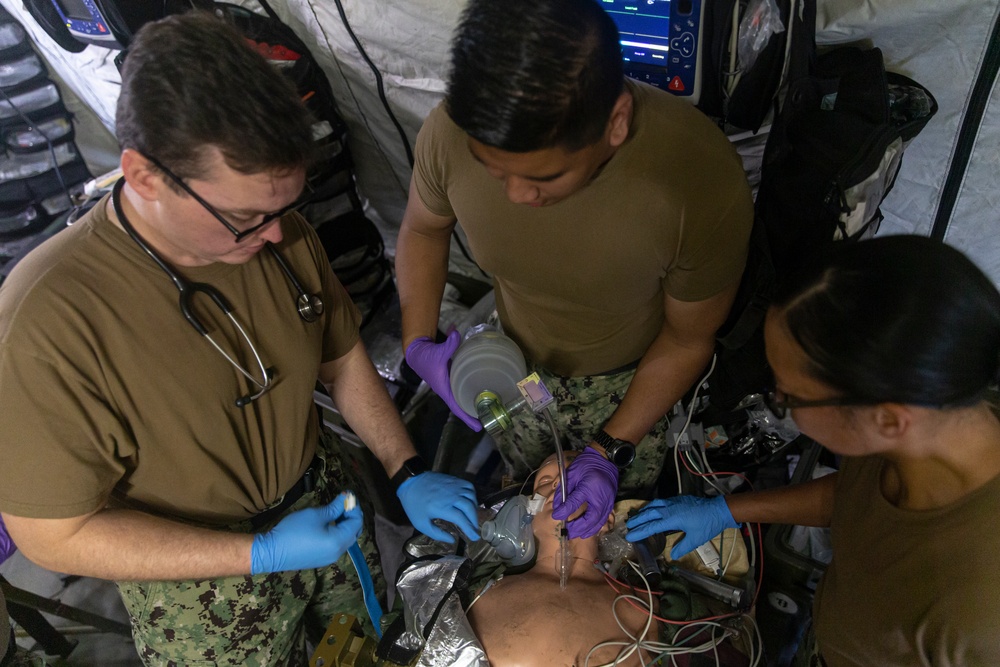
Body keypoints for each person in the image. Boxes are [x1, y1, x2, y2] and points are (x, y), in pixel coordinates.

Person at [0, 12, 479, 666]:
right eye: (246, 216)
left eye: (282, 210)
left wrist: (407, 467)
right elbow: (54, 536)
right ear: (143, 176)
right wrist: (259, 554)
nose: (275, 235)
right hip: (198, 579)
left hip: (322, 505)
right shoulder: (46, 322)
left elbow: (339, 356)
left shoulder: (278, 238)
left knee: (370, 642)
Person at [395, 0, 753, 540]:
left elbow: (686, 340)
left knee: (605, 524)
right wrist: (417, 343)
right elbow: (423, 230)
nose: (516, 196)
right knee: (530, 492)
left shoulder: (697, 184)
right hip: (512, 365)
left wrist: (610, 449)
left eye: (545, 177)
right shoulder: (449, 134)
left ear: (616, 123)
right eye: (495, 171)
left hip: (631, 383)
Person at [626, 235, 1000, 665]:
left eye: (787, 397)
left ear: (889, 419)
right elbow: (855, 498)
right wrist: (725, 511)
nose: (775, 405)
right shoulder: (940, 412)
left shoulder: (977, 620)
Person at [469, 453, 656, 666]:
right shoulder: (480, 594)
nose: (559, 483)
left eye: (575, 479)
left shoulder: (645, 608)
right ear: (526, 518)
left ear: (607, 519)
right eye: (546, 481)